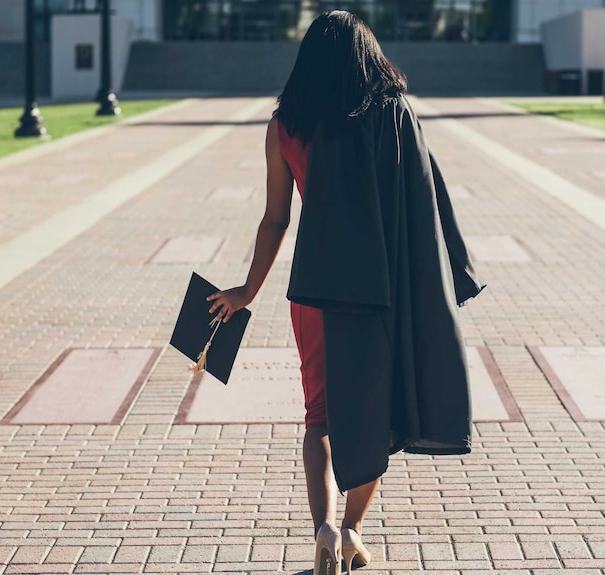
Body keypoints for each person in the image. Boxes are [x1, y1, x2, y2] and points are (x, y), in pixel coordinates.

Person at [207, 11, 484, 575]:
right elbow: (422, 201)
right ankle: (354, 527)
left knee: (320, 417)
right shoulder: (389, 117)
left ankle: (324, 528)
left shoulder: (286, 126)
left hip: (314, 288)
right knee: (371, 414)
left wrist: (246, 291)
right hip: (377, 291)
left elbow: (275, 221)